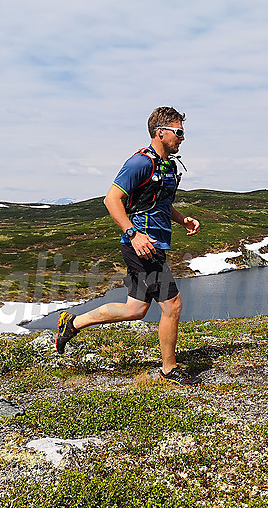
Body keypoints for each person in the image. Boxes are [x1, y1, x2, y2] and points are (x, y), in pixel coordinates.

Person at [54, 106, 200, 385]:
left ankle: (72, 323)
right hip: (143, 245)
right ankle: (169, 369)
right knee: (173, 305)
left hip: (152, 243)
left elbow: (160, 205)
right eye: (178, 132)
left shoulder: (168, 164)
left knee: (135, 310)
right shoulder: (139, 163)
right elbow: (111, 200)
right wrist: (134, 234)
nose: (182, 138)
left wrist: (183, 220)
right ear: (160, 132)